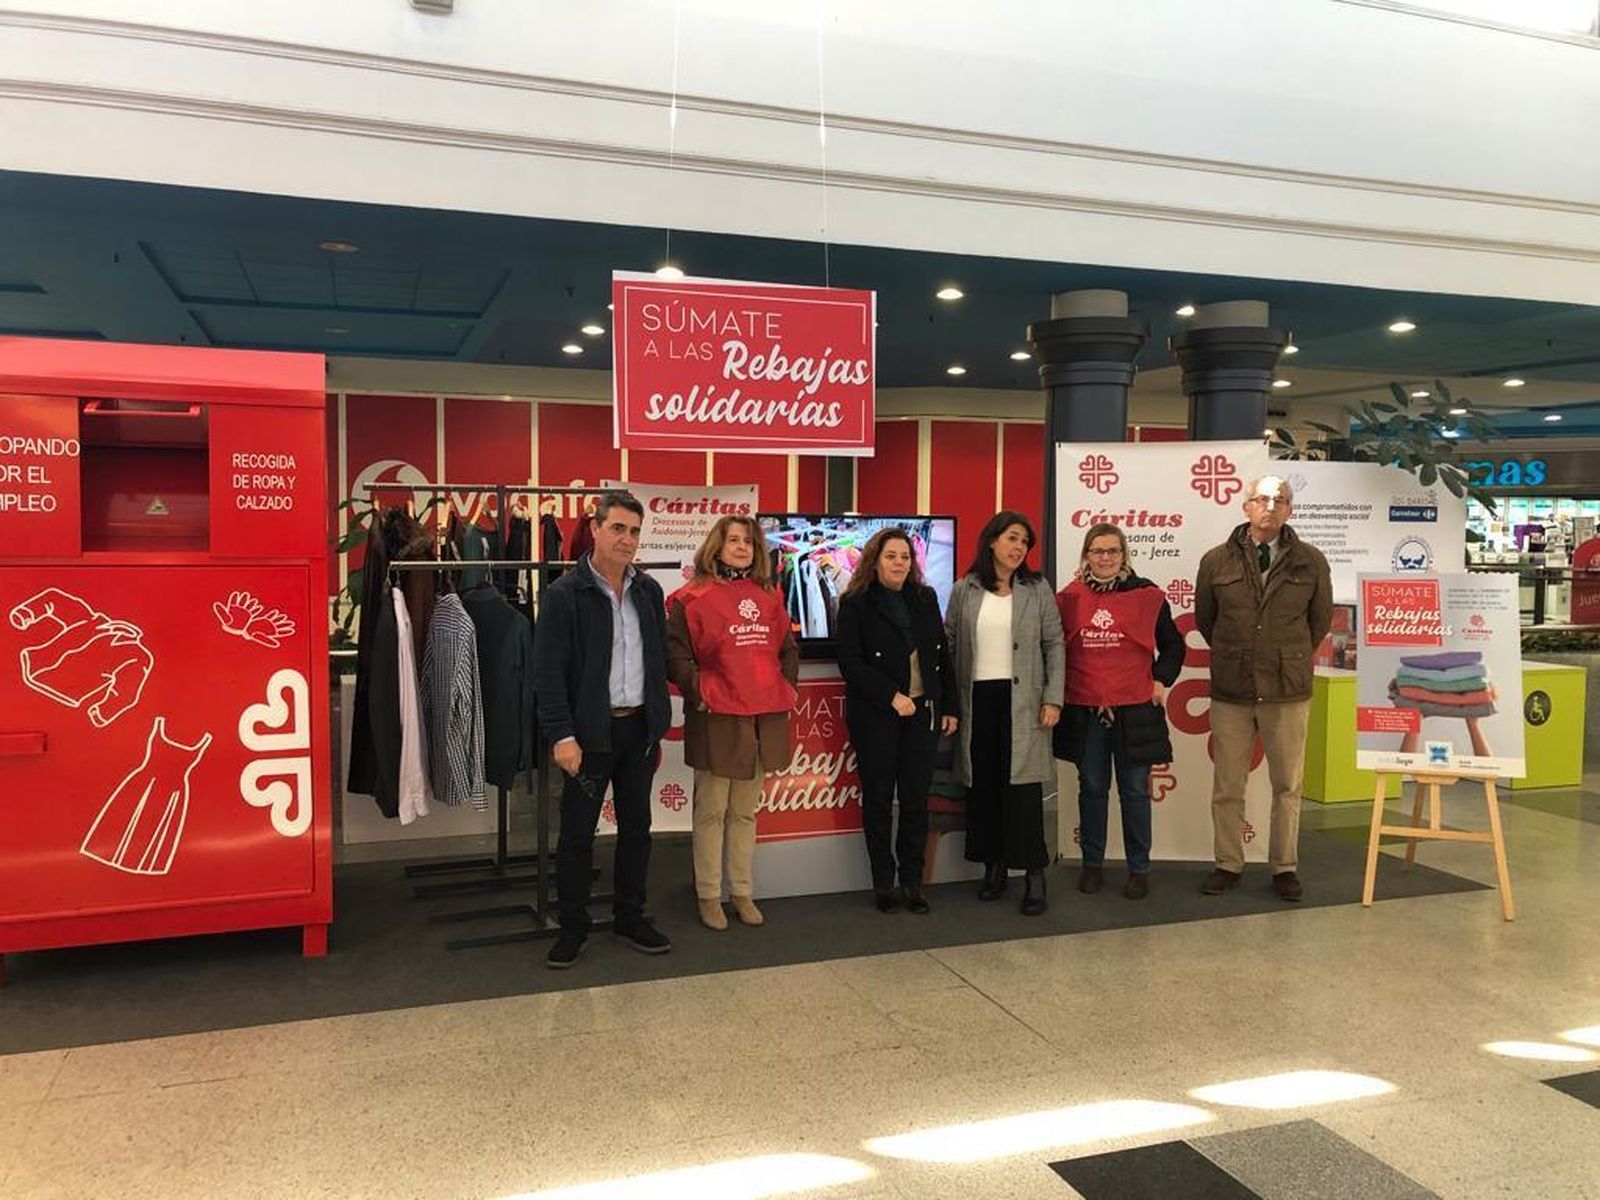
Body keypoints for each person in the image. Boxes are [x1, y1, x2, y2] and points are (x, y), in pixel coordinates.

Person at [533, 490, 673, 968]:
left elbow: (656, 661)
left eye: (634, 531)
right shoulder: (563, 594)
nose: (627, 539)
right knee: (576, 835)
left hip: (637, 733)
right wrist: (562, 734)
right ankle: (573, 927)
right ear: (594, 529)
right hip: (588, 737)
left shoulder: (649, 592)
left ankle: (630, 917)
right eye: (617, 528)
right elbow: (548, 672)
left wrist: (658, 722)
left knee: (638, 829)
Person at [1195, 474, 1332, 902]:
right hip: (1232, 688)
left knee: (1287, 784)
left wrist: (1283, 656)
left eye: (1280, 500)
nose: (1270, 507)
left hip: (1287, 690)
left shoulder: (1311, 562)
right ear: (1246, 507)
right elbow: (1206, 620)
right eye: (1261, 500)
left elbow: (1319, 623)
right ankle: (1227, 863)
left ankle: (1284, 867)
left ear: (1290, 509)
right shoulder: (1216, 561)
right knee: (1228, 784)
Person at [666, 515, 798, 932]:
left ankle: (741, 891)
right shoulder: (691, 597)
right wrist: (701, 690)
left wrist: (783, 687)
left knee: (744, 812)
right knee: (711, 810)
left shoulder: (769, 593)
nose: (742, 547)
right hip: (716, 718)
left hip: (762, 716)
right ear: (716, 546)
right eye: (733, 540)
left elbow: (788, 648)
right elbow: (676, 657)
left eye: (748, 541)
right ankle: (708, 894)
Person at [1053, 523, 1185, 900]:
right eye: (1097, 551)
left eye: (1112, 551)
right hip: (1085, 710)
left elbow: (1173, 647)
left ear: (1124, 555)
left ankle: (1138, 869)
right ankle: (1091, 864)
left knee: (1134, 791)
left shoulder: (1147, 596)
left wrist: (1161, 679)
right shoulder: (1070, 598)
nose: (1105, 558)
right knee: (1092, 788)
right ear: (1086, 556)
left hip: (1135, 711)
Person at [945, 511, 1064, 915]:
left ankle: (1034, 875)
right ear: (992, 540)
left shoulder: (1036, 588)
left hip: (1025, 703)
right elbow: (949, 643)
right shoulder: (965, 588)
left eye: (1025, 542)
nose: (1019, 548)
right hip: (977, 702)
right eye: (1012, 538)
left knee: (1024, 793)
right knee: (984, 789)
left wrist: (1053, 698)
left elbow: (1055, 644)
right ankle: (992, 868)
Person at [835, 528, 958, 915]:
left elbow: (941, 656)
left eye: (905, 556)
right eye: (891, 556)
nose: (899, 563)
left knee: (916, 802)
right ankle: (884, 884)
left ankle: (912, 883)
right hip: (877, 716)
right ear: (875, 559)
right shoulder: (855, 602)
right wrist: (891, 696)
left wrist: (949, 705)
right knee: (878, 801)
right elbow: (850, 663)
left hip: (922, 714)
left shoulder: (924, 597)